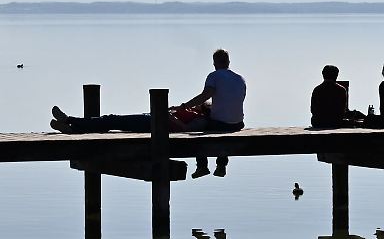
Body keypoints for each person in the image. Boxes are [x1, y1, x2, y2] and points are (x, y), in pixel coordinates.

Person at [179, 49, 246, 177]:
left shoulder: (214, 76)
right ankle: (221, 165)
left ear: (214, 63)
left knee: (197, 132)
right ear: (228, 62)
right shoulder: (239, 78)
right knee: (222, 128)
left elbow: (205, 96)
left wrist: (185, 106)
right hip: (238, 124)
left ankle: (202, 166)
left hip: (220, 123)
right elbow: (230, 101)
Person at [49, 104, 206, 133]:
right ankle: (72, 128)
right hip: (149, 119)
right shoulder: (193, 112)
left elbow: (186, 129)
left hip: (151, 124)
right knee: (108, 123)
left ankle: (69, 119)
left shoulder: (201, 119)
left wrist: (168, 115)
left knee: (111, 120)